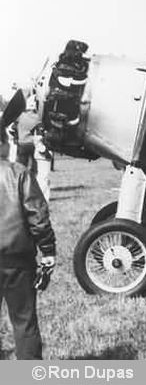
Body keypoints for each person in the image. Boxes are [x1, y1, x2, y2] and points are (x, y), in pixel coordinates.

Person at [0, 128, 56, 360]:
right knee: (25, 322)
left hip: (16, 259)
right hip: (18, 260)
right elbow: (37, 216)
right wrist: (48, 251)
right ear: (3, 144)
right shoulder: (19, 173)